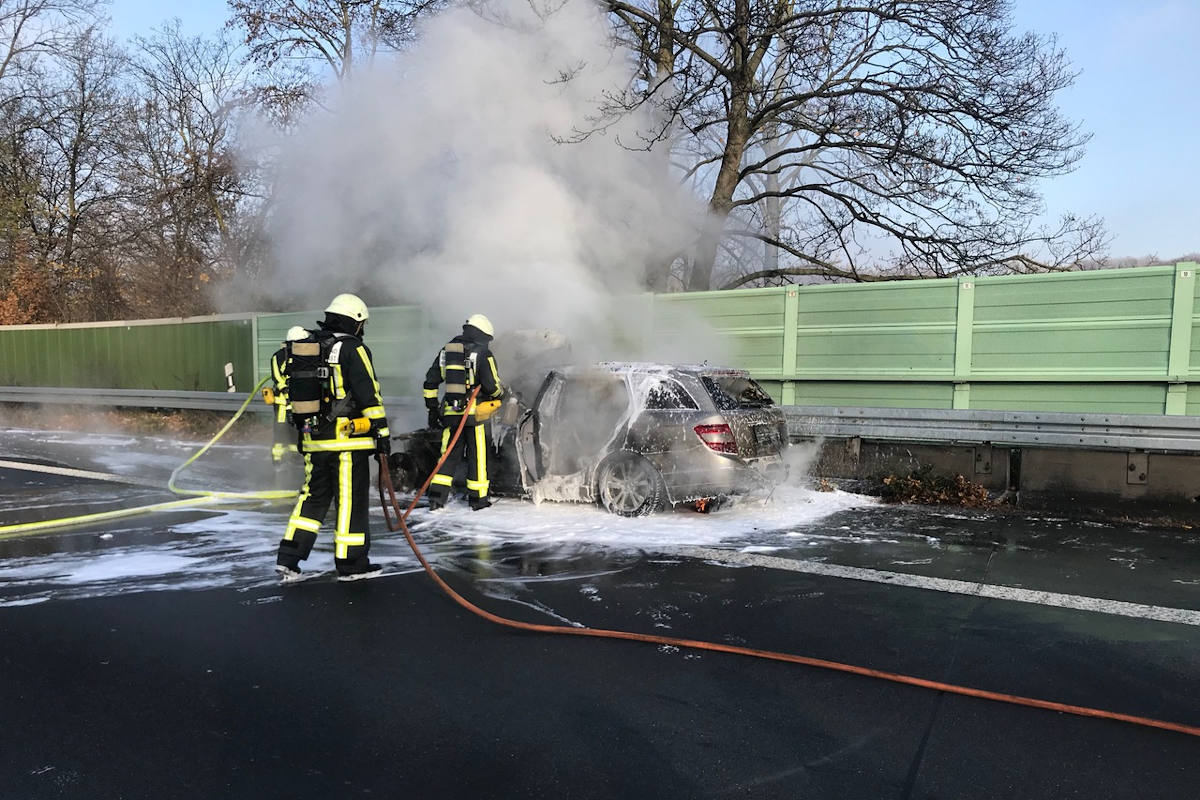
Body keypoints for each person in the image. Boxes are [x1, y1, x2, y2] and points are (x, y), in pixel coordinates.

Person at [275, 294, 390, 582]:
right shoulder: (353, 348)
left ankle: (288, 559)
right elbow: (368, 393)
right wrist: (382, 433)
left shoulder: (309, 347)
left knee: (312, 500)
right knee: (350, 502)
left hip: (314, 439)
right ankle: (352, 565)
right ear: (356, 322)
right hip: (348, 442)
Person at [423, 313, 503, 511]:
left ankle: (436, 498)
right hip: (475, 416)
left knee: (447, 456)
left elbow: (431, 381)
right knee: (477, 457)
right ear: (484, 335)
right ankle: (478, 500)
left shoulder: (447, 351)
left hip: (451, 415)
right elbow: (492, 386)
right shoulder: (483, 354)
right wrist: (502, 393)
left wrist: (432, 408)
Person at [268, 325, 309, 465]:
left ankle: (295, 457)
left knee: (296, 430)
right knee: (280, 430)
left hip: (298, 402)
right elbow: (276, 375)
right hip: (282, 402)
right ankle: (277, 459)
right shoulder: (279, 356)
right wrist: (285, 389)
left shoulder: (306, 357)